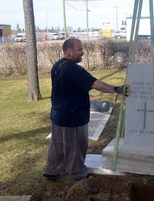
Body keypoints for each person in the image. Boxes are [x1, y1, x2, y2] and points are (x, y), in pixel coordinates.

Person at [43, 38, 130, 181]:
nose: (83, 52)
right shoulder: (74, 69)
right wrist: (116, 89)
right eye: (79, 49)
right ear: (69, 51)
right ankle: (77, 172)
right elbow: (96, 84)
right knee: (76, 146)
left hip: (58, 115)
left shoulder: (57, 66)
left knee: (57, 145)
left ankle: (52, 170)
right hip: (73, 117)